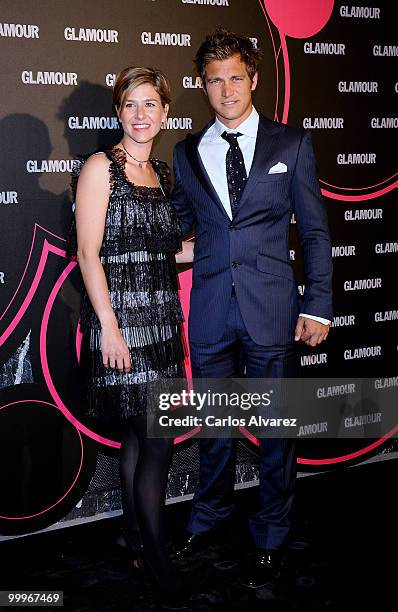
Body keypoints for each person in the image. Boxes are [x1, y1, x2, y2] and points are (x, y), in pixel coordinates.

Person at [171, 28, 333, 588]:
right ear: (203, 86)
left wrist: (319, 305)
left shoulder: (290, 144)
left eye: (235, 77)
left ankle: (271, 530)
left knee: (275, 430)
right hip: (212, 310)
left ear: (254, 79)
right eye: (214, 80)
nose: (226, 89)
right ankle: (210, 514)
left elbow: (314, 232)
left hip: (272, 310)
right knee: (215, 424)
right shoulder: (186, 152)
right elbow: (177, 227)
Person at [67, 66, 192, 607]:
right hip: (121, 324)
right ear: (119, 112)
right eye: (130, 105)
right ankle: (158, 558)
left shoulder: (164, 175)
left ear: (165, 113)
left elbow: (169, 250)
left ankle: (137, 539)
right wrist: (111, 330)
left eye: (151, 105)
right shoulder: (101, 167)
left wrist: (230, 247)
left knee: (139, 439)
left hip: (163, 322)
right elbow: (89, 254)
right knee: (158, 440)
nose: (141, 115)